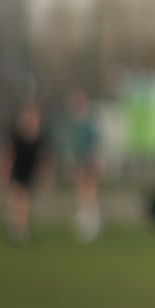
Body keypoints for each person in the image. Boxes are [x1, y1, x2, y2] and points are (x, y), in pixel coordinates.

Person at [0, 101, 50, 244]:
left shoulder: (39, 137)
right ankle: (16, 227)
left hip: (30, 171)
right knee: (17, 198)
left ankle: (21, 227)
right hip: (17, 169)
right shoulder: (16, 135)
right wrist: (5, 171)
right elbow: (8, 154)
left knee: (25, 200)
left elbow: (44, 158)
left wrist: (45, 174)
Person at [64, 89, 103, 241]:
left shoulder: (90, 120)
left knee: (90, 188)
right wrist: (71, 157)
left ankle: (92, 218)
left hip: (89, 159)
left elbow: (96, 142)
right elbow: (71, 143)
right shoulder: (74, 121)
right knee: (80, 188)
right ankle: (84, 216)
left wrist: (97, 158)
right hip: (79, 159)